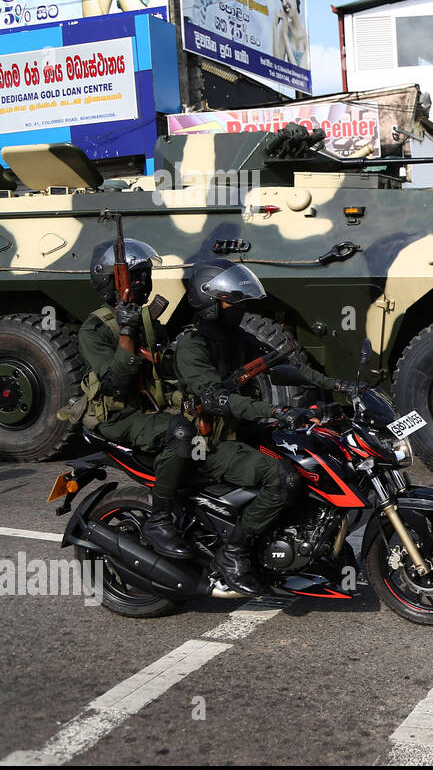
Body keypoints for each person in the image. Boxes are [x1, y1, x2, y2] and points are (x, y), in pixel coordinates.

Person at [172, 261, 363, 596]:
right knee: (283, 478)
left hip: (244, 430)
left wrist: (339, 386)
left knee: (312, 461)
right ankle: (233, 552)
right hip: (211, 442)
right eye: (234, 302)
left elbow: (290, 368)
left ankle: (310, 545)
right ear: (211, 303)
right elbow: (218, 402)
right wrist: (276, 410)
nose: (241, 309)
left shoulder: (235, 337)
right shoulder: (192, 347)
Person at [74, 239, 197, 561]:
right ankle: (159, 520)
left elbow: (168, 370)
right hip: (118, 416)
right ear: (110, 283)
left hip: (150, 408)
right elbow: (116, 383)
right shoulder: (95, 329)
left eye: (146, 275)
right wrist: (126, 331)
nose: (144, 283)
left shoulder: (148, 321)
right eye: (136, 277)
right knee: (181, 432)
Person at [273, 0, 310, 68]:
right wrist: (274, 28)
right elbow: (277, 64)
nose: (284, 3)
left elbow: (299, 72)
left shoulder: (306, 34)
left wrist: (285, 36)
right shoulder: (285, 27)